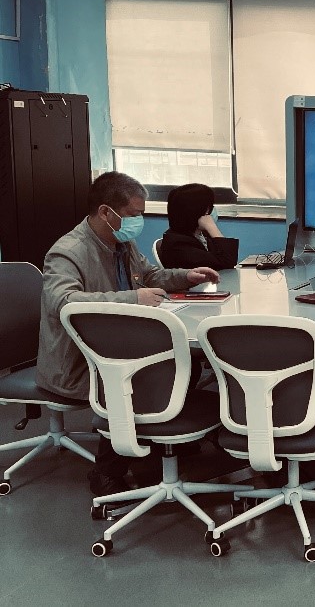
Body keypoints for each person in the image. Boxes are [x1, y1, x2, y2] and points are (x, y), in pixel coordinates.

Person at [36, 171, 219, 496]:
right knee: (144, 375)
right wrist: (132, 298)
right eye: (133, 214)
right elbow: (62, 302)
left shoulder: (122, 242)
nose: (138, 222)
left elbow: (150, 275)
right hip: (80, 361)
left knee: (183, 364)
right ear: (106, 212)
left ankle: (161, 442)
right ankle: (107, 472)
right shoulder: (68, 252)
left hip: (119, 343)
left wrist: (186, 276)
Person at [158, 183, 240, 270]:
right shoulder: (178, 245)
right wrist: (212, 228)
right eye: (209, 207)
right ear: (197, 211)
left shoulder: (199, 235)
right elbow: (226, 263)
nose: (210, 212)